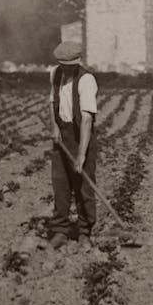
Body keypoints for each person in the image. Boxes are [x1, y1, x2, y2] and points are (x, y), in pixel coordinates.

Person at [49, 41, 98, 249]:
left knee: (83, 187)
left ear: (77, 62)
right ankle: (60, 230)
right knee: (60, 183)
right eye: (63, 64)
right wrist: (54, 126)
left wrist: (81, 155)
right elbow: (52, 102)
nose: (66, 68)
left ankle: (85, 231)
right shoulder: (56, 74)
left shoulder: (87, 80)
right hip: (62, 134)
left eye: (70, 65)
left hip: (81, 136)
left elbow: (87, 119)